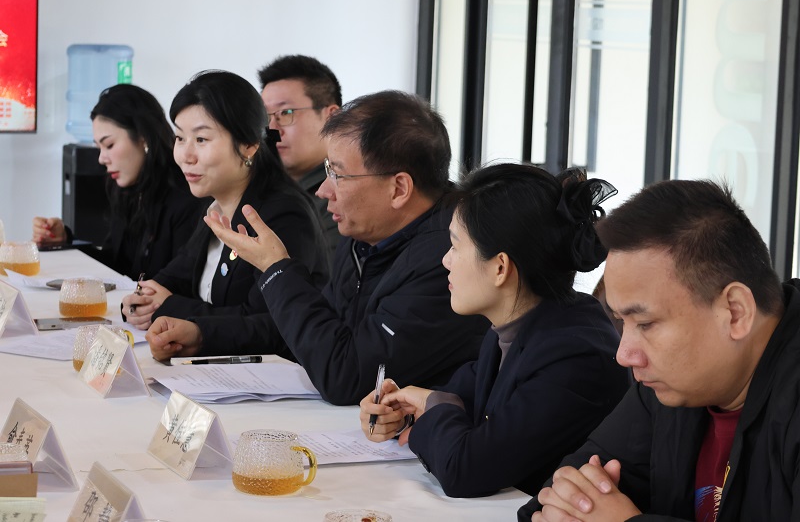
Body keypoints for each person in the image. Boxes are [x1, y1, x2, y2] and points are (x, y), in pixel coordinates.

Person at [147, 90, 490, 405]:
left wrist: (277, 269)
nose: (323, 190)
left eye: (338, 174)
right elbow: (313, 330)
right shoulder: (365, 236)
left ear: (399, 189)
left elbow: (347, 377)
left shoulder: (448, 259)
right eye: (327, 170)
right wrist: (203, 334)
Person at [520, 180, 800, 521]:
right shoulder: (669, 387)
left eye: (646, 324)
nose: (624, 355)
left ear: (735, 312)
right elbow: (562, 495)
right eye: (621, 322)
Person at [357, 163, 629, 498]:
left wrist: (433, 408)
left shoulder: (575, 356)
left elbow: (465, 469)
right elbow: (459, 400)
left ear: (500, 267)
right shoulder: (515, 326)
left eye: (455, 246)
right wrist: (404, 412)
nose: (445, 261)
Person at [121, 70, 328, 330]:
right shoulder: (214, 204)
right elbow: (174, 277)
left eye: (201, 139)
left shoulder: (283, 214)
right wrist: (142, 300)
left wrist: (170, 306)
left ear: (248, 145)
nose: (185, 155)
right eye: (180, 138)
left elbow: (266, 323)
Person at [32, 84, 202, 280]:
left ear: (143, 138)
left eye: (109, 145)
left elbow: (179, 284)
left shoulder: (185, 197)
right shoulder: (128, 191)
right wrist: (64, 240)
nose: (101, 159)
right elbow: (115, 266)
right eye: (99, 148)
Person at [257, 55, 343, 263]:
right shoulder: (260, 190)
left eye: (286, 113)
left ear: (331, 117)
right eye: (266, 117)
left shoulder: (342, 198)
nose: (272, 129)